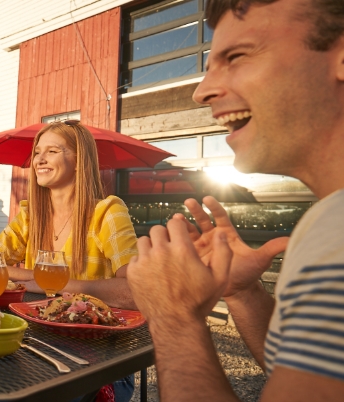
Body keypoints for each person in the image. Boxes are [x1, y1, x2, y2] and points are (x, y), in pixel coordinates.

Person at [126, 0, 344, 400]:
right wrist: (243, 292)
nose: (201, 91)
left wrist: (173, 318)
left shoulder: (335, 232)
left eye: (237, 56)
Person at [0, 121, 138, 402]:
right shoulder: (31, 216)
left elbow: (137, 291)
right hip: (36, 346)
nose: (39, 160)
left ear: (80, 161)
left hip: (102, 359)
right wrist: (35, 276)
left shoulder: (107, 213)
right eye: (37, 152)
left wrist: (66, 284)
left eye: (52, 151)